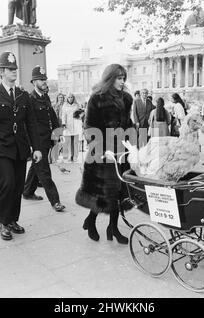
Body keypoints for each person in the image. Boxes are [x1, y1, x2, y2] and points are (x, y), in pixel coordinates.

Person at [0, 52, 42, 241]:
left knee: (16, 187)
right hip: (0, 148)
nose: (14, 71)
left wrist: (37, 147)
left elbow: (31, 124)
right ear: (0, 71)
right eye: (10, 69)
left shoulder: (23, 96)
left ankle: (13, 220)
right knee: (6, 185)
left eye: (15, 69)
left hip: (20, 149)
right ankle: (3, 222)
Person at [75, 63, 133, 244]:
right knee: (104, 193)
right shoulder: (97, 98)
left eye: (124, 78)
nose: (122, 82)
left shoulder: (127, 98)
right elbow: (89, 127)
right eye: (119, 78)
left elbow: (128, 123)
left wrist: (134, 144)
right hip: (102, 153)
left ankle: (112, 228)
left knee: (119, 192)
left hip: (121, 151)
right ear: (110, 78)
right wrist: (101, 149)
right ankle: (91, 222)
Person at [22, 65, 66, 212]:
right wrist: (31, 145)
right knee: (44, 171)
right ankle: (55, 201)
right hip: (37, 142)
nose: (44, 82)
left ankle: (27, 192)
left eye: (45, 79)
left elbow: (52, 117)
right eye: (41, 80)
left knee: (36, 167)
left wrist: (58, 134)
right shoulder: (29, 98)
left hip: (47, 139)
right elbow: (27, 124)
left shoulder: (45, 96)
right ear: (34, 82)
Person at [61, 93, 81, 162]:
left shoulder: (77, 105)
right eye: (69, 97)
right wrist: (63, 123)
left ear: (73, 98)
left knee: (75, 141)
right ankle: (70, 155)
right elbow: (63, 115)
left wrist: (79, 123)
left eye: (71, 97)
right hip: (68, 125)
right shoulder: (64, 106)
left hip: (75, 124)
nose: (70, 98)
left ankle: (75, 156)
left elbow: (79, 115)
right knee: (68, 141)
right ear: (67, 98)